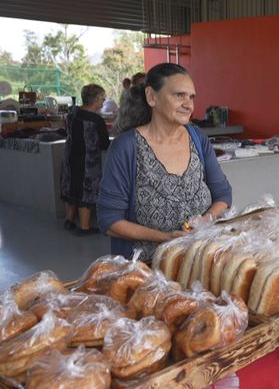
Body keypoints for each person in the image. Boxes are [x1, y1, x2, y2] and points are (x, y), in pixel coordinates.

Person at [97, 63, 232, 261]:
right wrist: (165, 238)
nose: (189, 105)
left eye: (191, 97)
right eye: (179, 95)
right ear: (152, 97)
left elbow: (223, 194)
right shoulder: (127, 147)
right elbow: (110, 221)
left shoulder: (197, 138)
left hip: (198, 262)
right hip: (146, 271)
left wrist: (206, 220)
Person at [60, 84, 110, 235]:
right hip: (88, 160)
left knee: (71, 187)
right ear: (95, 99)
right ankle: (85, 227)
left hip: (69, 156)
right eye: (102, 98)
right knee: (86, 191)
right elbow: (104, 143)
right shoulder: (96, 120)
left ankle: (69, 220)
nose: (103, 102)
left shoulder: (72, 112)